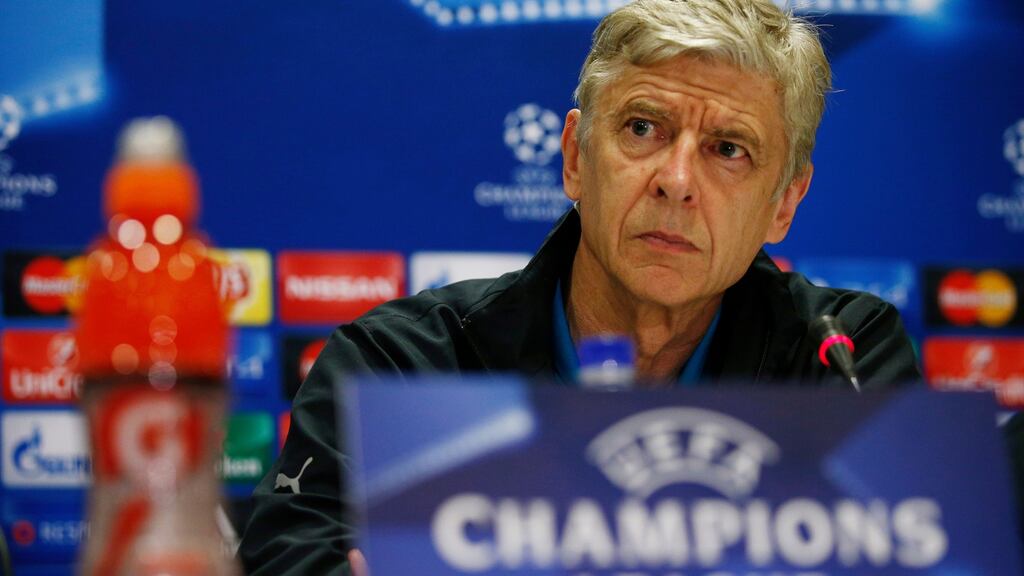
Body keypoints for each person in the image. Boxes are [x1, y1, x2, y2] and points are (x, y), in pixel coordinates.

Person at [238, 0, 920, 573]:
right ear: (573, 158)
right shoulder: (399, 367)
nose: (676, 181)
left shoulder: (840, 361)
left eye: (728, 149)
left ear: (784, 204)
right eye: (643, 127)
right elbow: (289, 555)